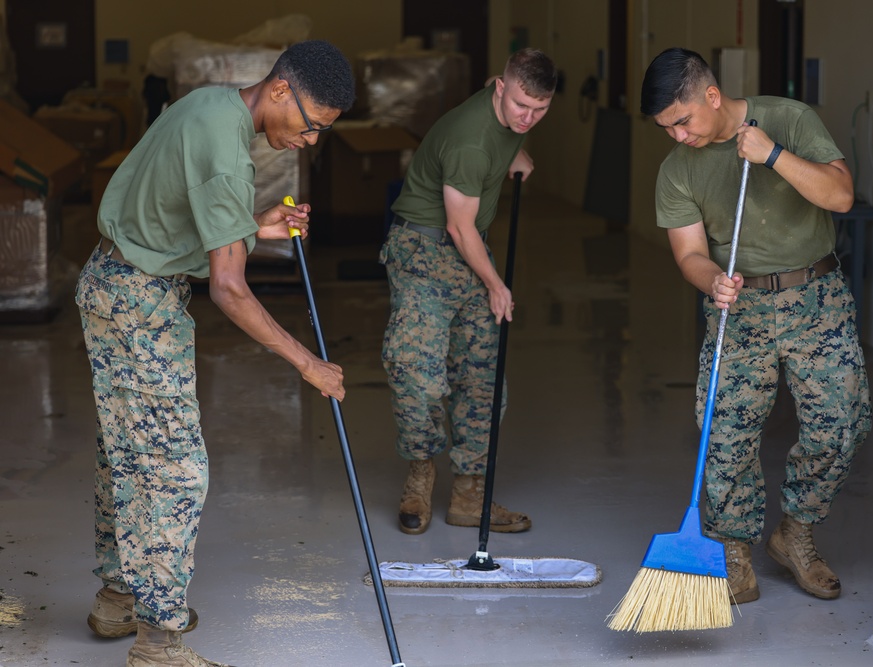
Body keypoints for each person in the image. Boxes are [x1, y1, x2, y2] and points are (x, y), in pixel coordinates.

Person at [75, 40, 355, 666]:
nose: (310, 141)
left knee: (126, 450)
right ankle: (159, 643)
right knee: (174, 468)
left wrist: (256, 224)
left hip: (117, 282)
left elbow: (178, 203)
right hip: (138, 304)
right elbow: (229, 289)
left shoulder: (211, 105)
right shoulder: (229, 151)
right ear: (281, 90)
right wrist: (307, 362)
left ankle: (120, 599)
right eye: (312, 126)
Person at [640, 48, 871, 604]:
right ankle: (734, 549)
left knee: (840, 425)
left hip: (816, 299)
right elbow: (689, 252)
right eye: (665, 128)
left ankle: (795, 533)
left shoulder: (789, 119)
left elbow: (840, 195)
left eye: (682, 121)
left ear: (712, 98)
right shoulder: (677, 171)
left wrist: (773, 156)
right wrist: (711, 279)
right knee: (726, 436)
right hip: (738, 309)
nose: (677, 136)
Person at [379, 48, 557, 536]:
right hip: (424, 251)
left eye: (540, 110)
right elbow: (460, 228)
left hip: (469, 253)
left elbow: (493, 90)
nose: (528, 117)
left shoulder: (501, 102)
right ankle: (420, 474)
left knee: (483, 378)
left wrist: (515, 149)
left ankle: (469, 495)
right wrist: (497, 285)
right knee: (416, 371)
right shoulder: (469, 143)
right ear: (502, 89)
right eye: (521, 105)